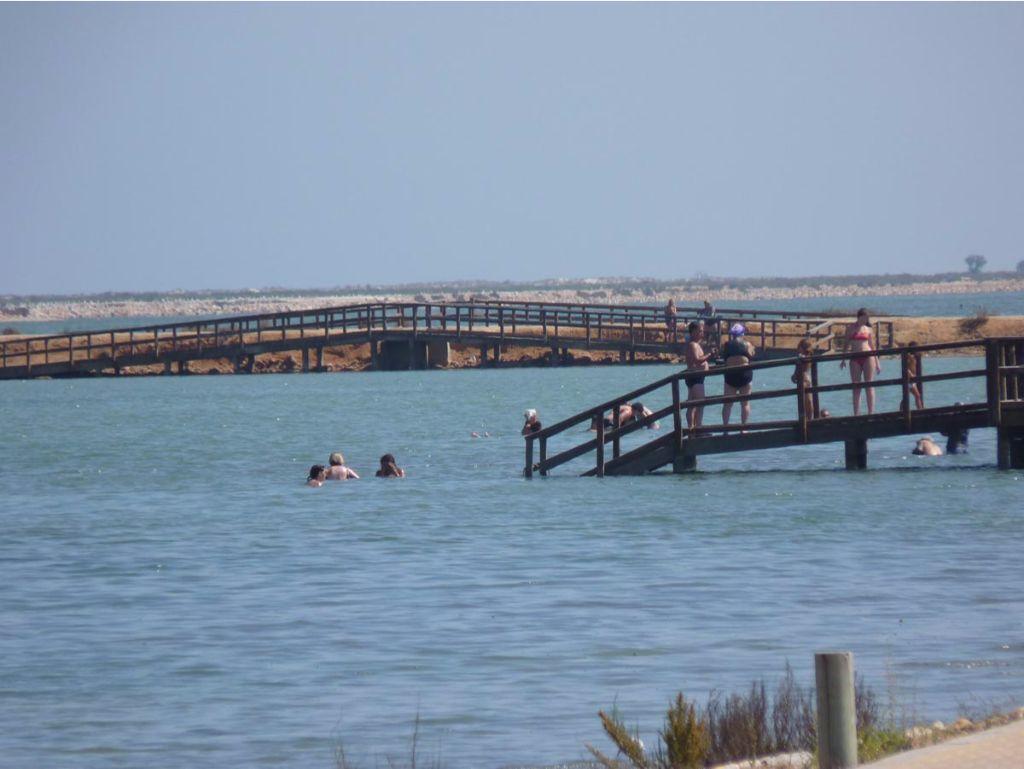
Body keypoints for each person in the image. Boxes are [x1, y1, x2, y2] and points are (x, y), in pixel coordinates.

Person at [840, 308, 881, 415]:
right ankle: (856, 414)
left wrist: (877, 362)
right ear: (859, 317)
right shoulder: (850, 328)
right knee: (856, 386)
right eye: (864, 318)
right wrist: (843, 359)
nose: (865, 320)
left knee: (869, 384)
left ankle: (871, 412)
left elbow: (872, 346)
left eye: (867, 318)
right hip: (855, 357)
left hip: (868, 356)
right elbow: (846, 344)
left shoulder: (868, 329)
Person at [722, 323, 756, 428]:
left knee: (727, 404)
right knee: (745, 403)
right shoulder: (747, 344)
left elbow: (724, 357)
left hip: (730, 377)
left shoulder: (727, 345)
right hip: (744, 376)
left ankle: (725, 428)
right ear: (742, 333)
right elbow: (752, 356)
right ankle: (743, 428)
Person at [684, 321, 713, 430]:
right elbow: (697, 360)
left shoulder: (695, 344)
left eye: (702, 331)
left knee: (692, 404)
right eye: (700, 331)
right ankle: (698, 427)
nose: (702, 333)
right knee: (700, 403)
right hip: (695, 377)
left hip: (696, 377)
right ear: (693, 332)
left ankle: (692, 428)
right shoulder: (693, 345)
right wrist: (709, 355)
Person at [792, 338, 815, 419]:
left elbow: (799, 368)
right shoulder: (807, 357)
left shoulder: (804, 357)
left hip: (804, 379)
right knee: (807, 401)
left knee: (807, 401)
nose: (798, 348)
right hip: (806, 378)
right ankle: (808, 419)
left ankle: (807, 419)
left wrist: (794, 375)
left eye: (799, 346)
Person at [902, 341, 924, 411]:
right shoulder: (908, 357)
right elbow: (906, 367)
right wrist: (911, 374)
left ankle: (901, 410)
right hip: (909, 379)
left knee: (906, 397)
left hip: (912, 380)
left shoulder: (915, 357)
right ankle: (920, 410)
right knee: (917, 395)